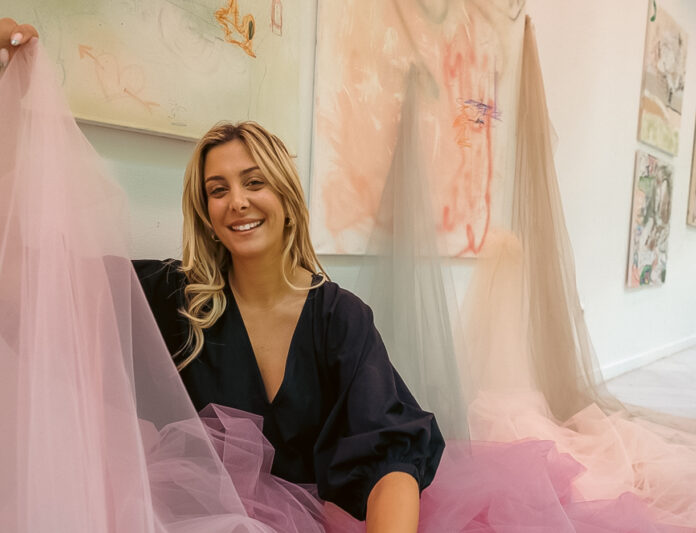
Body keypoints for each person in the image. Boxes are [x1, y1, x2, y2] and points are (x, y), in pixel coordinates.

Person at [1, 20, 444, 532]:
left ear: (287, 198)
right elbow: (26, 282)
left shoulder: (340, 319)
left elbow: (392, 460)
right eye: (218, 189)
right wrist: (8, 96)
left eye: (254, 182)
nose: (237, 201)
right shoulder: (173, 298)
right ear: (207, 215)